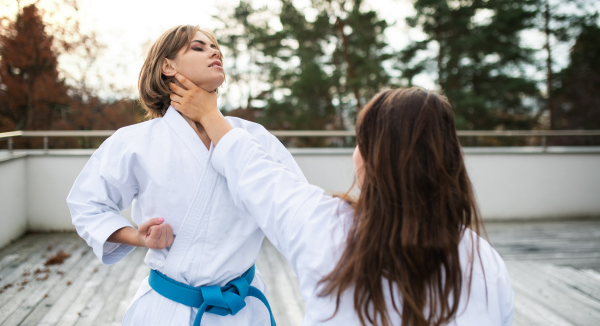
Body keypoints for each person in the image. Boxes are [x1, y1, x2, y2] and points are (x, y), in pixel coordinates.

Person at [169, 76, 515, 326]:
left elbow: (257, 175)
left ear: (372, 159)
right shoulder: (485, 263)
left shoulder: (325, 228)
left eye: (360, 143)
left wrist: (208, 115)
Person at [67, 25, 307, 326]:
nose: (214, 51)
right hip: (169, 311)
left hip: (244, 309)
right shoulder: (135, 141)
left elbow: (298, 206)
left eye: (215, 46)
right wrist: (137, 237)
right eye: (198, 47)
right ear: (168, 66)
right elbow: (86, 203)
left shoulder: (254, 137)